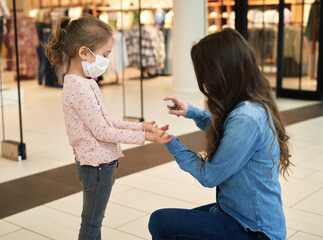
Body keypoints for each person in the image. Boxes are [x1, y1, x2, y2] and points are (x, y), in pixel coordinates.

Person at [148, 28, 292, 240]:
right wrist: (192, 113)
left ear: (219, 73)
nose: (205, 83)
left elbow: (209, 176)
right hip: (236, 214)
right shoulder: (251, 102)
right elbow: (229, 137)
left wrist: (171, 143)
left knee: (161, 222)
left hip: (254, 231)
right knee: (175, 225)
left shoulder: (246, 118)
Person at [45, 15, 172, 240]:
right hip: (96, 168)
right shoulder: (79, 87)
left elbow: (105, 121)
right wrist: (146, 137)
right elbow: (103, 131)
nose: (106, 61)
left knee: (94, 219)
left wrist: (140, 127)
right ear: (84, 52)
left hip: (99, 166)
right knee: (92, 222)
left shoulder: (85, 82)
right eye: (105, 55)